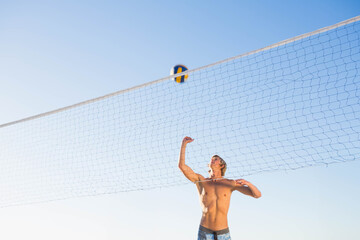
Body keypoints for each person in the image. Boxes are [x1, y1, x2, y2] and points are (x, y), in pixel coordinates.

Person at [178, 136, 262, 240]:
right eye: (211, 159)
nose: (213, 160)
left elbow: (257, 195)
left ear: (222, 165)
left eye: (216, 159)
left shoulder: (230, 183)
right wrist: (184, 145)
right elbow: (182, 166)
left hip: (223, 233)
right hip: (205, 231)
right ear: (209, 165)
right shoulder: (201, 181)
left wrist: (248, 183)